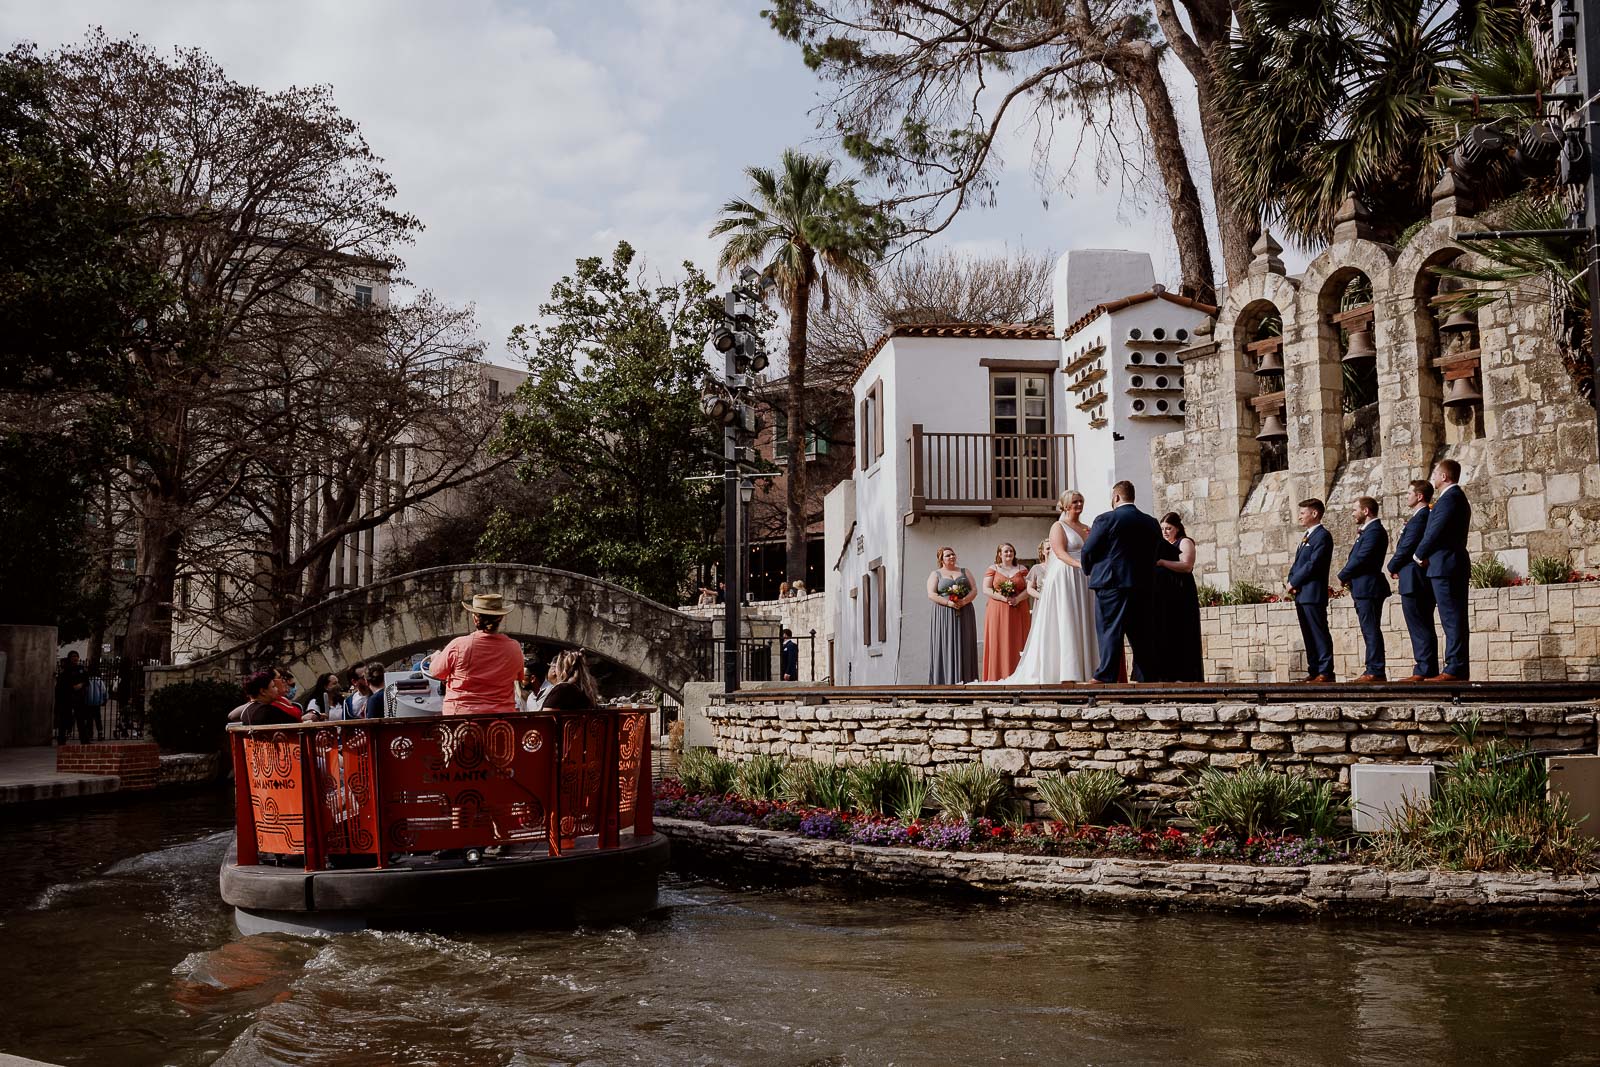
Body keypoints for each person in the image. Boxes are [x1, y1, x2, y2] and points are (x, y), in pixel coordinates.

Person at [1001, 491, 1099, 684]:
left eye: (1081, 501)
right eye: (1075, 502)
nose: (1079, 505)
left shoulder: (1087, 528)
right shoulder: (1058, 526)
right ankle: (1068, 671)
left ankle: (1088, 669)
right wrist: (1079, 565)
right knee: (1067, 617)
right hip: (1066, 574)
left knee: (1084, 618)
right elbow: (1060, 552)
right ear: (1065, 505)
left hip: (1085, 577)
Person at [1082, 481, 1164, 683]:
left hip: (1111, 583)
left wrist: (1089, 569)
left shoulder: (1105, 519)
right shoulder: (1151, 522)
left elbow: (1089, 550)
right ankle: (1146, 678)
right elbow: (1156, 551)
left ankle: (1105, 675)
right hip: (1142, 584)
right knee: (1142, 632)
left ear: (1116, 497)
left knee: (1110, 629)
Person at [1414, 458, 1472, 681]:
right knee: (1452, 617)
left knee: (1452, 618)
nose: (1433, 477)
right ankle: (1455, 666)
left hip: (1447, 565)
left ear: (1445, 476)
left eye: (1436, 473)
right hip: (1445, 565)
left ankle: (1455, 667)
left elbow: (1435, 530)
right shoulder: (1450, 498)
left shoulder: (1450, 499)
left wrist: (1419, 553)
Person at [430, 592, 526, 715]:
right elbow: (519, 676)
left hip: (461, 720)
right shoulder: (514, 648)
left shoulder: (459, 645)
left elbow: (436, 672)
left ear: (475, 618)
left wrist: (436, 656)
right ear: (501, 618)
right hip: (500, 721)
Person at [1388, 479, 1439, 682]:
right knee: (1420, 623)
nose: (1406, 496)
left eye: (1409, 493)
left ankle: (1424, 669)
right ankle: (1426, 666)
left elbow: (1407, 546)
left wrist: (1392, 566)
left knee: (1419, 623)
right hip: (1413, 577)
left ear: (1419, 496)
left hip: (1414, 579)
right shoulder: (1420, 517)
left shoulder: (1421, 517)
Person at [1338, 496, 1391, 683]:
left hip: (1369, 587)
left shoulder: (1374, 531)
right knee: (1368, 629)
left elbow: (1362, 558)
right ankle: (1372, 667)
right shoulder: (1367, 531)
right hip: (1362, 588)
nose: (1353, 513)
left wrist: (1343, 574)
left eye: (1355, 509)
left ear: (1366, 511)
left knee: (1371, 629)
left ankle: (1375, 670)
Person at [1286, 498, 1335, 682]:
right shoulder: (1307, 536)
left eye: (1303, 512)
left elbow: (1313, 564)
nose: (1300, 516)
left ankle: (1325, 671)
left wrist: (1294, 581)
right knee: (1308, 633)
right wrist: (1291, 580)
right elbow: (1299, 563)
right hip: (1302, 593)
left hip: (1313, 592)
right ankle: (1314, 669)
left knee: (1318, 631)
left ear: (1314, 513)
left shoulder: (1322, 536)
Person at [1154, 512, 1204, 682]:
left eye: (1169, 528)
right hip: (1166, 593)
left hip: (1182, 591)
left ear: (1177, 528)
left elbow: (1186, 566)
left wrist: (1162, 563)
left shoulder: (1184, 542)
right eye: (1162, 529)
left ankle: (1187, 675)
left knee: (1184, 631)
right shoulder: (1161, 544)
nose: (1165, 532)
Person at [981, 542, 1033, 680]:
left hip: (1019, 608)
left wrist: (1017, 599)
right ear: (999, 554)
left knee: (1018, 639)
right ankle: (997, 677)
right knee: (999, 640)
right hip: (997, 610)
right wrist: (1003, 598)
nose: (1009, 554)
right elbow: (986, 589)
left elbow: (1029, 589)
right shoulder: (993, 568)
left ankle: (1019, 676)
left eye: (1011, 551)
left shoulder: (1022, 569)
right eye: (1005, 551)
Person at [926, 546, 978, 683]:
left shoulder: (964, 571)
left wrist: (964, 601)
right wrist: (948, 603)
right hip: (944, 613)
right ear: (941, 559)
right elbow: (931, 594)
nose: (951, 557)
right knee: (945, 643)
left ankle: (967, 680)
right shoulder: (935, 574)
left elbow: (974, 589)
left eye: (953, 554)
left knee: (965, 643)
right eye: (948, 555)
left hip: (965, 610)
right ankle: (945, 682)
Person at [55, 651, 89, 745]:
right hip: (67, 698)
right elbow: (61, 684)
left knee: (81, 720)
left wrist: (81, 685)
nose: (75, 658)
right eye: (73, 656)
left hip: (79, 698)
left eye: (76, 656)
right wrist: (71, 687)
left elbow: (86, 681)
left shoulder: (81, 669)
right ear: (69, 658)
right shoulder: (66, 670)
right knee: (65, 720)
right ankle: (61, 739)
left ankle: (84, 740)